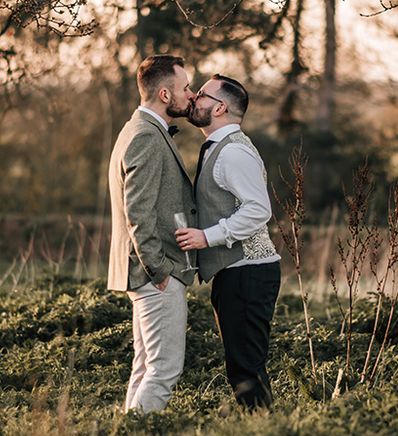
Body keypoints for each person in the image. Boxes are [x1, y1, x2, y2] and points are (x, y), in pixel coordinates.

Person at [175, 74, 281, 410]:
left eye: (202, 94)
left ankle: (267, 435)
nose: (194, 98)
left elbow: (258, 210)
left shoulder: (233, 153)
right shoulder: (219, 148)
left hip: (248, 273)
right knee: (242, 365)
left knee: (246, 368)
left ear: (220, 107)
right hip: (236, 273)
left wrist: (207, 237)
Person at [107, 55, 197, 412]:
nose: (190, 95)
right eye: (185, 87)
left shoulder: (139, 129)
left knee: (145, 367)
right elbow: (138, 212)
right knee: (163, 370)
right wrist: (159, 269)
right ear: (164, 93)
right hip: (154, 272)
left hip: (146, 272)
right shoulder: (145, 136)